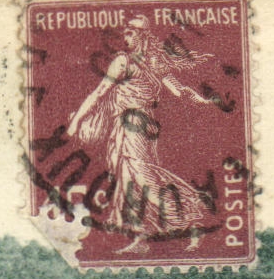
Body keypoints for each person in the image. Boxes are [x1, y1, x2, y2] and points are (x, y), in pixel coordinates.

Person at [65, 16, 220, 253]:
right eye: (125, 33)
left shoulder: (125, 62)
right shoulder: (150, 62)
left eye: (129, 33)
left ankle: (190, 221)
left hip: (133, 125)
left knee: (143, 178)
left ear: (141, 36)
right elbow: (180, 91)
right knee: (130, 180)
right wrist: (203, 100)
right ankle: (141, 237)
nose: (125, 38)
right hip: (140, 126)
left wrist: (75, 122)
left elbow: (99, 94)